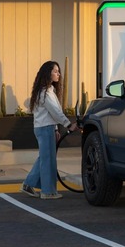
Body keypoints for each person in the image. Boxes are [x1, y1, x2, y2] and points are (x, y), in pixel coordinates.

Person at [21, 61, 77, 200]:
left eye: (58, 71)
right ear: (48, 73)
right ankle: (48, 192)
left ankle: (28, 184)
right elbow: (56, 112)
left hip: (47, 128)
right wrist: (69, 125)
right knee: (48, 160)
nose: (58, 74)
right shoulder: (45, 93)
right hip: (45, 128)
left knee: (45, 158)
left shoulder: (47, 91)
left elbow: (51, 113)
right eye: (55, 71)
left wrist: (56, 129)